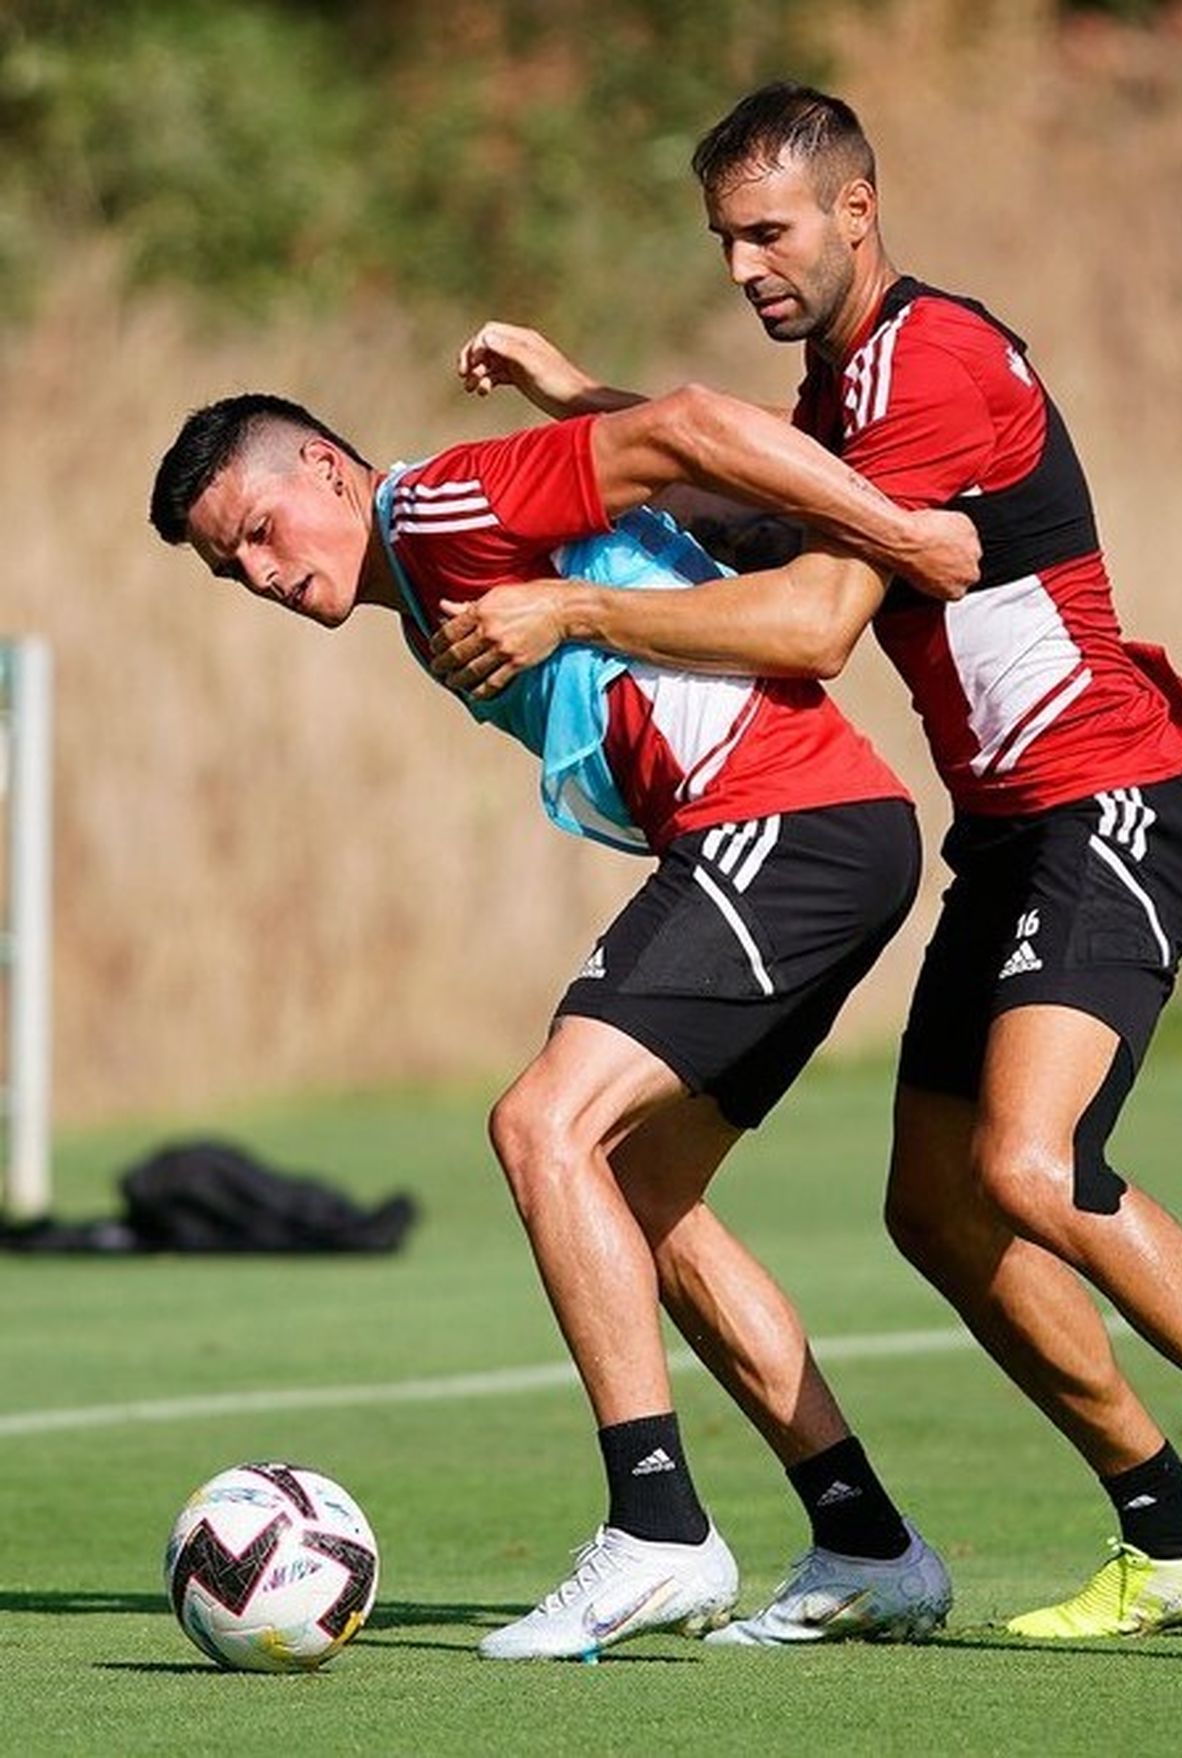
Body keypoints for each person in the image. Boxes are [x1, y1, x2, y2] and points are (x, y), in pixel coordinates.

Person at [429, 82, 1182, 1645]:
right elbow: (760, 486)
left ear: (857, 211)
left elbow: (821, 613)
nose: (747, 263)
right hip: (1013, 834)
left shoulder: (934, 362)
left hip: (1116, 800)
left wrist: (573, 609)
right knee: (938, 1209)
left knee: (1029, 1162)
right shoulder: (839, 394)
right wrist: (585, 396)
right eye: (724, 239)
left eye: (770, 230)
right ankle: (1172, 1529)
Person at [148, 381, 974, 1657]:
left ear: (324, 467)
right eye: (227, 568)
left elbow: (681, 429)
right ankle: (867, 1543)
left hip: (781, 827)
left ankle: (658, 1532)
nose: (256, 572)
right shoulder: (424, 602)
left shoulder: (431, 510)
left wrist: (894, 528)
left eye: (259, 530)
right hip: (795, 838)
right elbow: (683, 511)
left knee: (541, 1126)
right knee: (642, 1192)